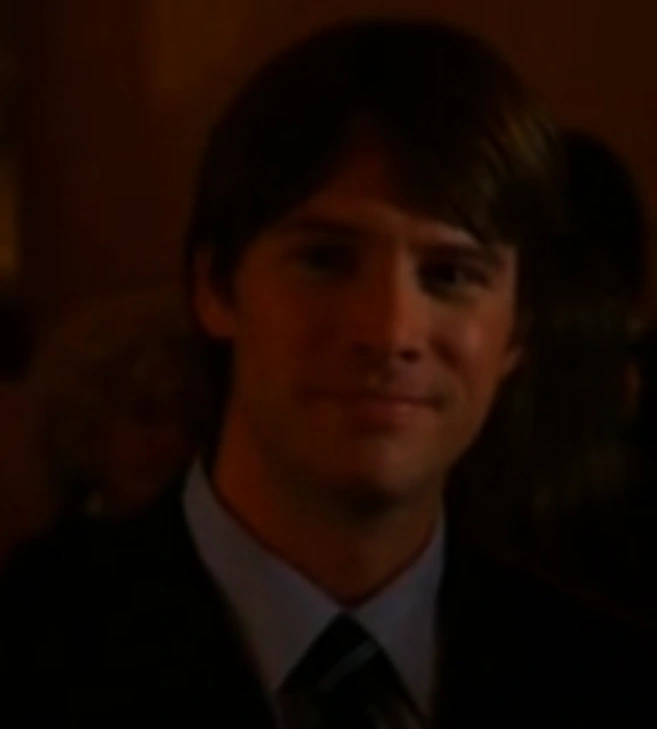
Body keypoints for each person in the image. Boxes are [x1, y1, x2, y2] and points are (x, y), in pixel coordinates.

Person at [1, 18, 653, 725]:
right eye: (326, 260)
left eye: (449, 275)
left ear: (517, 330)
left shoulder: (606, 679)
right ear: (215, 286)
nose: (390, 332)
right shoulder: (29, 648)